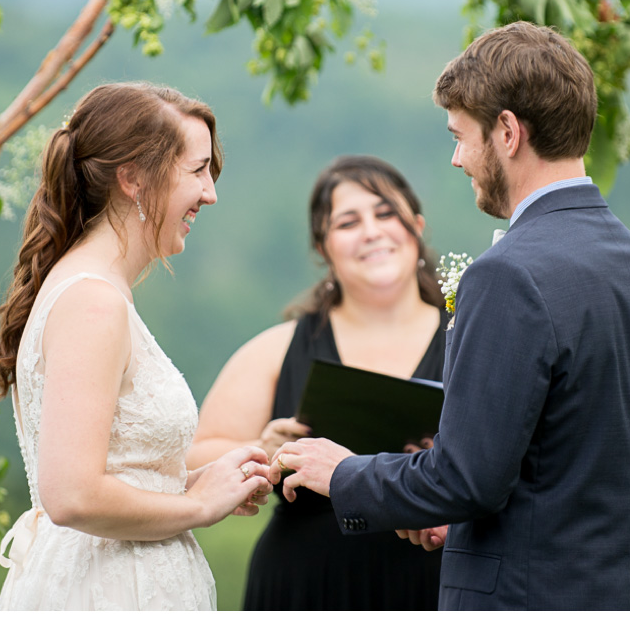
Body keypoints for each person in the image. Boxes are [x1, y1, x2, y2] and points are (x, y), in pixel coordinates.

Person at [271, 22, 630, 610]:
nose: (456, 158)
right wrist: (474, 516)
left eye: (461, 136)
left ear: (508, 132)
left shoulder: (506, 276)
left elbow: (466, 479)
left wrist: (343, 472)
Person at [0, 82, 272, 611]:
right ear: (133, 178)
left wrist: (203, 481)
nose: (210, 193)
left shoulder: (99, 290)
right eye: (197, 170)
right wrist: (198, 506)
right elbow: (72, 496)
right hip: (110, 591)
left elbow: (113, 469)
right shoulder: (93, 302)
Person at [188, 155, 447, 610]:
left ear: (418, 227)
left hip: (435, 583)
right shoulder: (277, 348)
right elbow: (194, 456)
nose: (371, 231)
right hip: (306, 585)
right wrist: (261, 449)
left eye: (386, 214)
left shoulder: (473, 340)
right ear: (323, 248)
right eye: (348, 222)